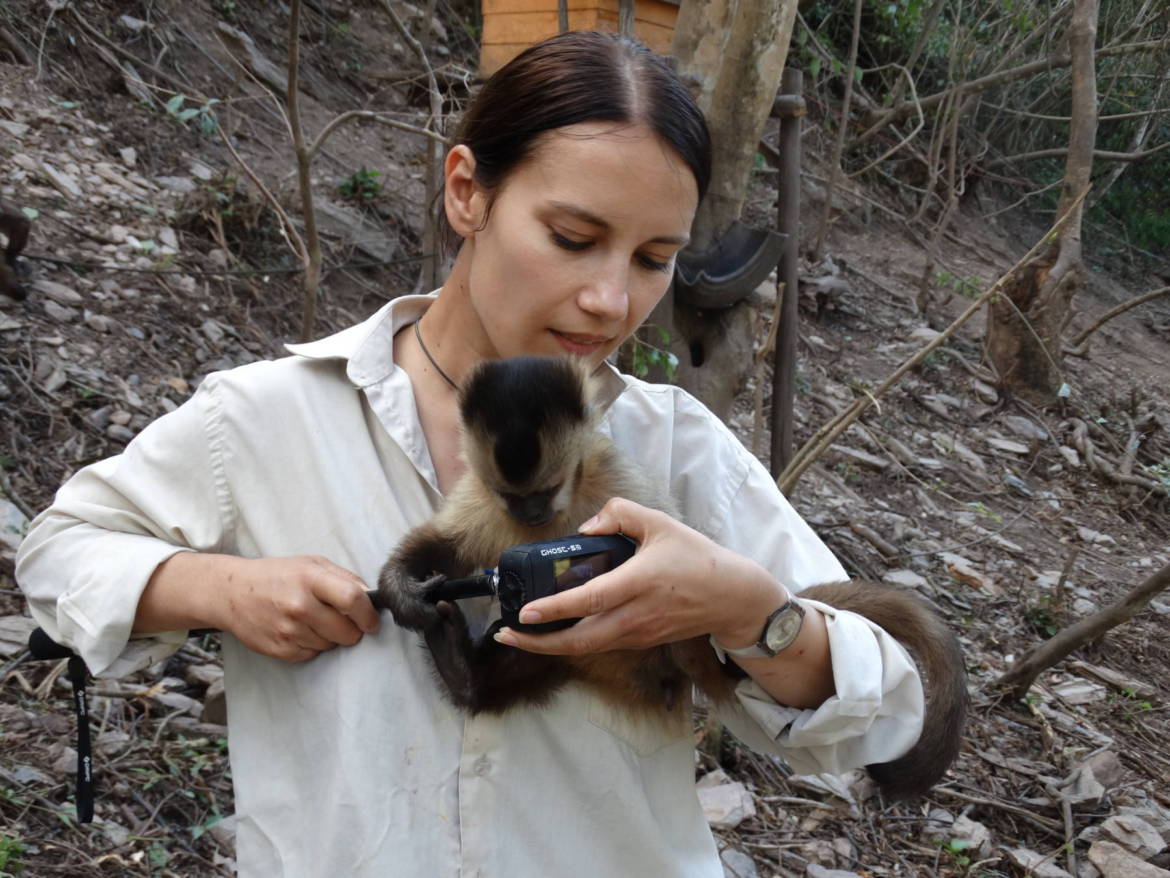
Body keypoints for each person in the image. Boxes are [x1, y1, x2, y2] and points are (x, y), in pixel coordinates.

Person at [17, 30, 923, 877]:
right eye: (573, 239)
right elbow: (60, 552)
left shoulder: (670, 444)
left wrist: (749, 615)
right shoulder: (270, 418)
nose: (611, 300)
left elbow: (881, 709)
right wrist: (217, 589)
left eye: (654, 259)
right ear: (466, 192)